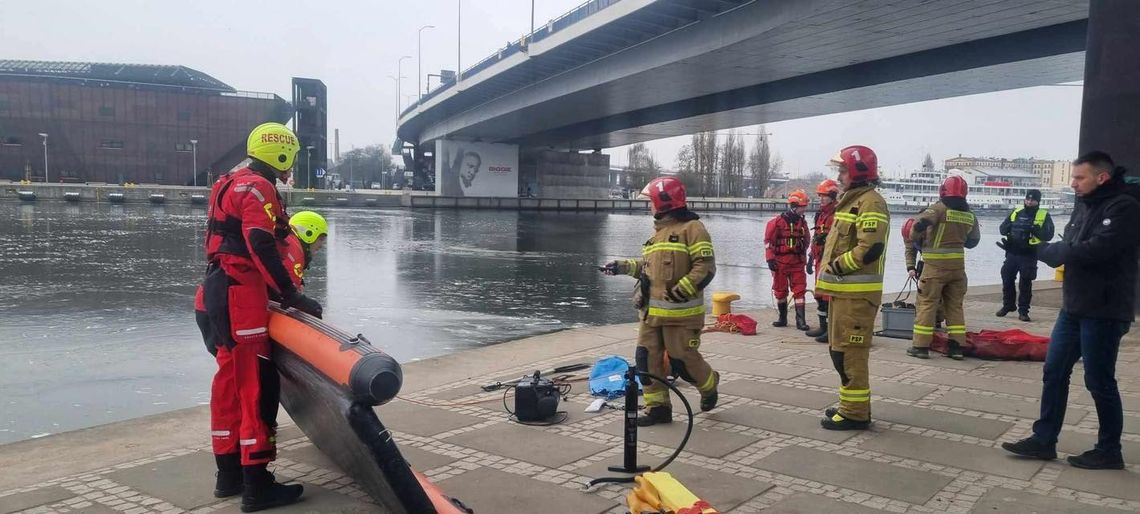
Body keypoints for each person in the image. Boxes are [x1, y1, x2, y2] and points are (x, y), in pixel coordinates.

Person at [201, 122, 322, 512]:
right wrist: (292, 295)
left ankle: (228, 474)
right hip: (241, 293)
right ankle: (257, 484)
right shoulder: (260, 186)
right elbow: (259, 241)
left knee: (227, 382)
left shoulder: (227, 181)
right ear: (282, 154)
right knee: (254, 386)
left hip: (216, 290)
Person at [1002, 151, 1140, 470]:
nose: (1073, 184)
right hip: (1074, 307)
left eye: (1079, 178)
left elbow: (1095, 250)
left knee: (1099, 379)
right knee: (1054, 371)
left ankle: (1109, 450)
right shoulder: (1084, 205)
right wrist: (1036, 249)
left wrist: (1045, 251)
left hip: (1104, 310)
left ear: (1101, 177)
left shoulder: (1125, 208)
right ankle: (1043, 440)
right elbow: (1071, 246)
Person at [601, 176, 720, 426]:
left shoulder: (693, 229)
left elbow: (706, 267)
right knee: (647, 360)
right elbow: (647, 270)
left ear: (664, 202)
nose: (649, 206)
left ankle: (709, 385)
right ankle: (658, 409)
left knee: (683, 361)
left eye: (651, 201)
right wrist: (622, 267)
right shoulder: (656, 236)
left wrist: (681, 290)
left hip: (681, 316)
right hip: (650, 315)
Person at [815, 145, 889, 431]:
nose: (839, 176)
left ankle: (855, 413)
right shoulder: (852, 201)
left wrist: (836, 266)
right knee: (839, 352)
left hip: (857, 297)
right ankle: (852, 405)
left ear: (857, 172)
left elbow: (870, 248)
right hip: (843, 294)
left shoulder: (871, 203)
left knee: (850, 355)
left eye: (842, 170)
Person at [195, 210, 328, 356]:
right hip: (225, 307)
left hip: (211, 301)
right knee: (237, 363)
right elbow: (286, 295)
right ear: (309, 234)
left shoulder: (282, 242)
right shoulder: (293, 250)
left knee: (228, 361)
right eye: (320, 240)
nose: (321, 246)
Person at [905, 176, 980, 360]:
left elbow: (917, 227)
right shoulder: (970, 214)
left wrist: (917, 236)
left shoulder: (938, 208)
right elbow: (973, 241)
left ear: (943, 191)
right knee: (955, 307)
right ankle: (956, 348)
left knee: (927, 305)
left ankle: (920, 346)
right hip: (958, 270)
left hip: (934, 268)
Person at [997, 189, 1055, 322]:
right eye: (1027, 199)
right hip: (1012, 253)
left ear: (1037, 201)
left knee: (1025, 283)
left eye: (1032, 200)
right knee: (1006, 277)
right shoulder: (1016, 212)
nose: (1029, 202)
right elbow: (1002, 229)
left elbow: (1048, 235)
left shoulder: (1044, 215)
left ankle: (1023, 311)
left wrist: (1034, 229)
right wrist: (1009, 227)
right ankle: (1008, 305)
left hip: (1029, 254)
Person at [765, 190, 812, 330]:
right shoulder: (777, 222)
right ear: (794, 206)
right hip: (780, 262)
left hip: (797, 262)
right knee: (780, 290)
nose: (804, 209)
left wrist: (806, 257)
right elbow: (768, 242)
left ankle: (800, 321)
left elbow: (807, 240)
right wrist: (770, 259)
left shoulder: (802, 223)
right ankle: (782, 318)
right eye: (803, 206)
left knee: (799, 290)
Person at [806, 179, 840, 342]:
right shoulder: (821, 214)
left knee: (828, 297)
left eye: (824, 196)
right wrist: (810, 257)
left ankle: (830, 330)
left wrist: (826, 238)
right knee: (819, 295)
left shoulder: (838, 214)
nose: (821, 199)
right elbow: (815, 238)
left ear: (832, 196)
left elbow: (841, 238)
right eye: (820, 196)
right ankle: (823, 327)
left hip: (830, 260)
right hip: (819, 259)